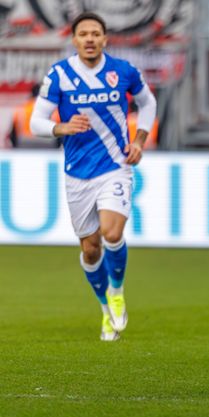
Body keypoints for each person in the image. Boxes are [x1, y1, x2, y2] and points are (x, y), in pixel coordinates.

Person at [29, 12, 157, 341]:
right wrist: (61, 127)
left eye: (95, 33)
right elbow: (36, 122)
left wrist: (139, 141)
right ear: (74, 40)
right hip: (77, 173)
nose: (89, 38)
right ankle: (105, 309)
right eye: (83, 33)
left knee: (112, 233)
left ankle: (117, 290)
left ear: (105, 39)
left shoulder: (123, 72)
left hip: (115, 165)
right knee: (90, 250)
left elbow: (148, 103)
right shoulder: (60, 75)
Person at [9, 83, 60, 148]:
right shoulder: (54, 111)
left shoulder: (21, 110)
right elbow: (60, 135)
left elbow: (13, 136)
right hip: (48, 147)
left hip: (24, 147)